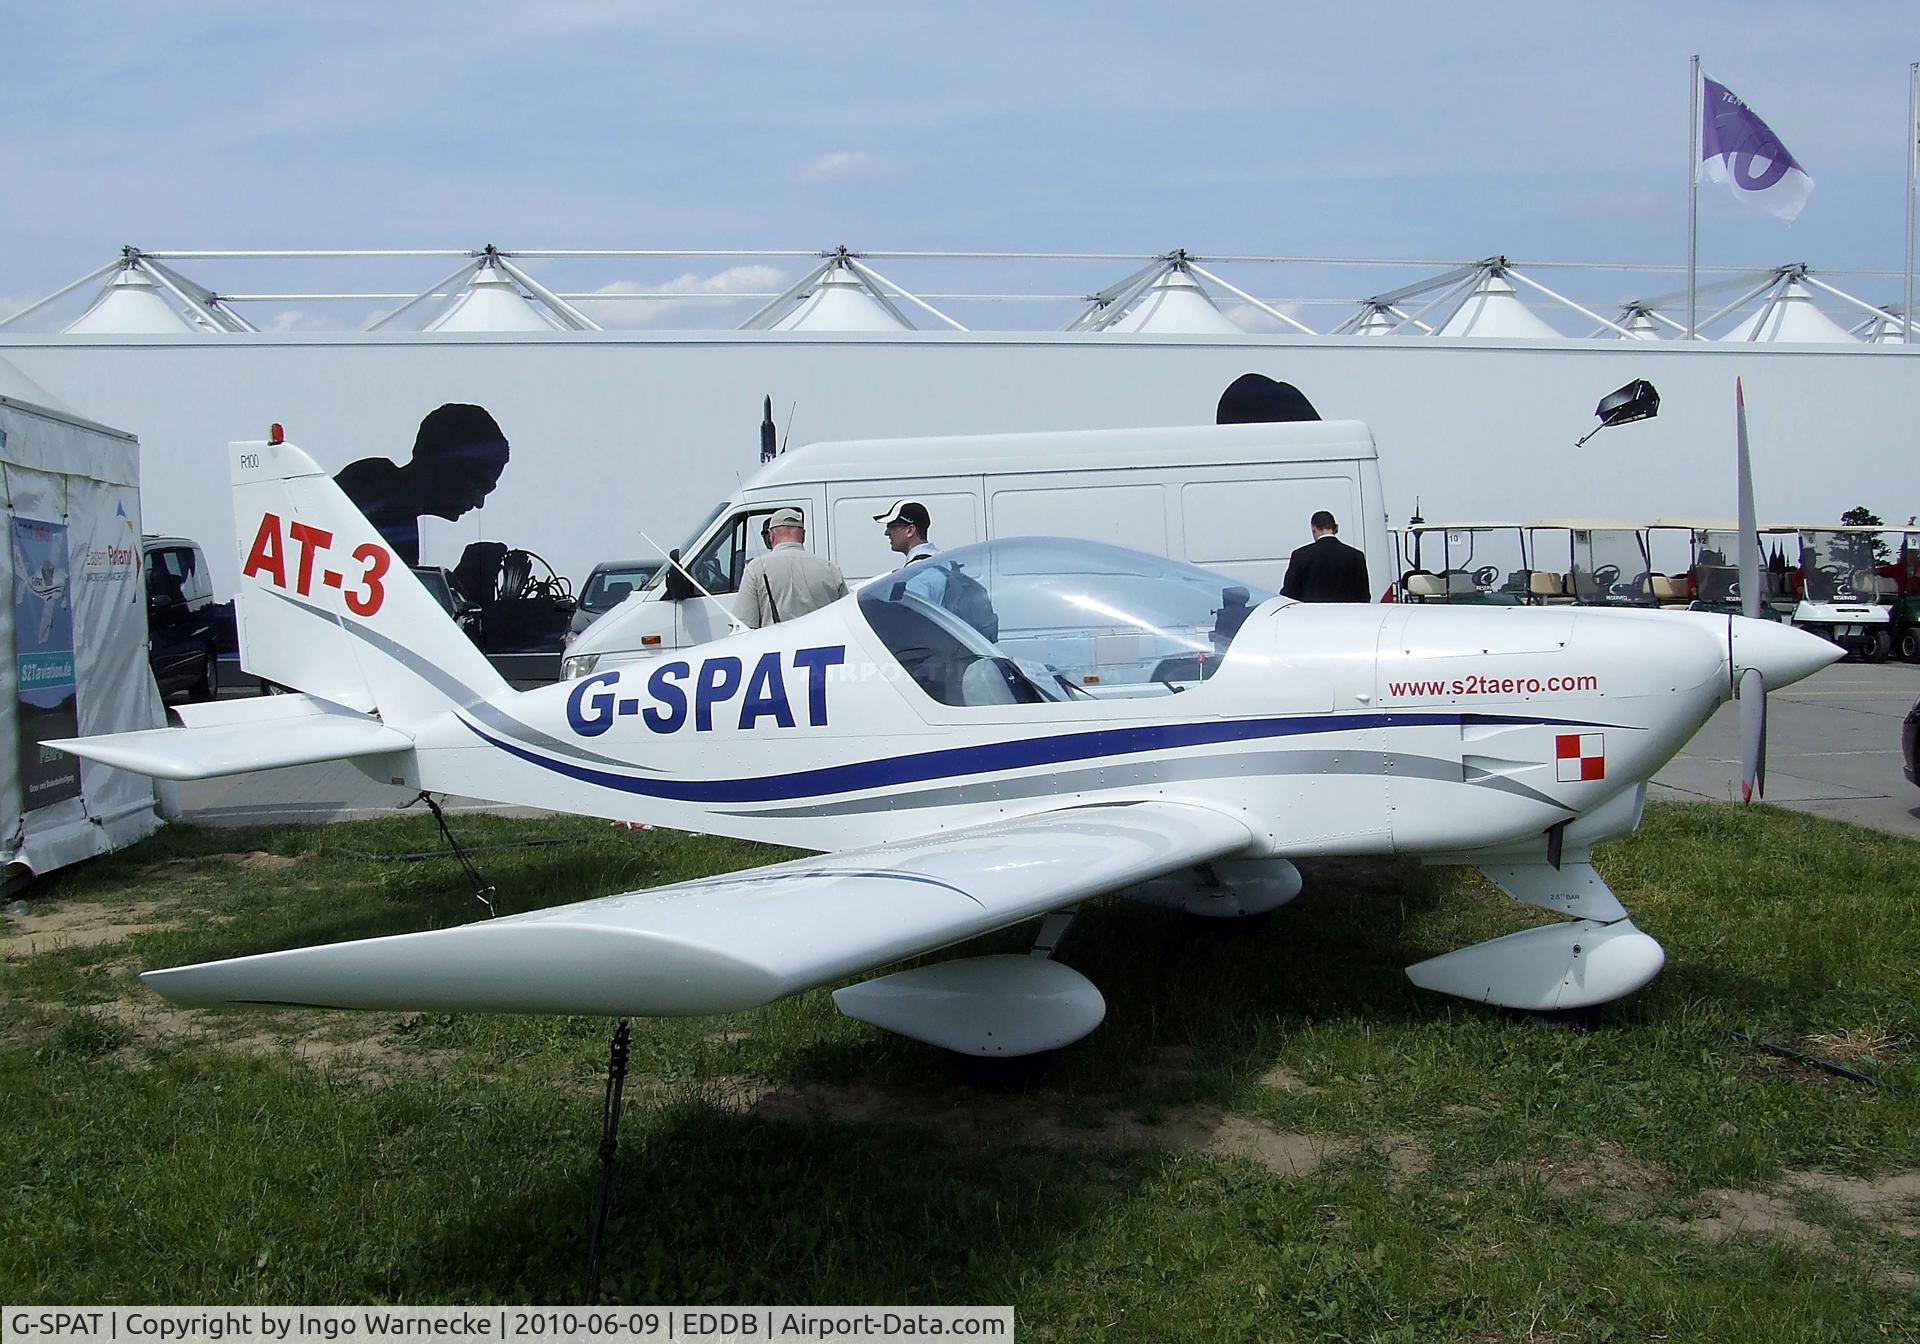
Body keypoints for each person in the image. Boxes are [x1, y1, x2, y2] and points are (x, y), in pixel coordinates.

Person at [334, 403, 511, 567]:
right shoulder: (372, 484)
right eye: (479, 483)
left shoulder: (401, 524)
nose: (479, 502)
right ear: (447, 464)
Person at [734, 508, 847, 628]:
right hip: (823, 644)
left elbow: (743, 626)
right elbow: (847, 618)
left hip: (775, 646)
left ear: (771, 535)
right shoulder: (830, 569)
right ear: (803, 535)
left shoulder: (756, 569)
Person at [1281, 510, 1371, 603]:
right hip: (1346, 615)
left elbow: (1289, 595)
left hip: (1311, 615)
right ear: (1336, 528)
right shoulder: (1356, 556)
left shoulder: (1300, 556)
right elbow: (1364, 597)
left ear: (1313, 529)